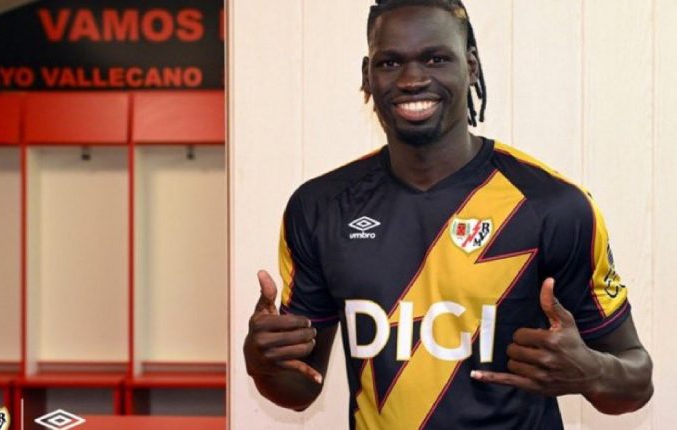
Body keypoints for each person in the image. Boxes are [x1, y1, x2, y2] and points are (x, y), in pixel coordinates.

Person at [243, 0, 654, 428]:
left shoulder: (553, 205)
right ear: (368, 75)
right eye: (390, 62)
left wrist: (593, 371)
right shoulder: (319, 207)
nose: (412, 79)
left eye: (436, 59)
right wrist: (261, 362)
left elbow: (637, 380)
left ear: (471, 66)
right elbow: (300, 388)